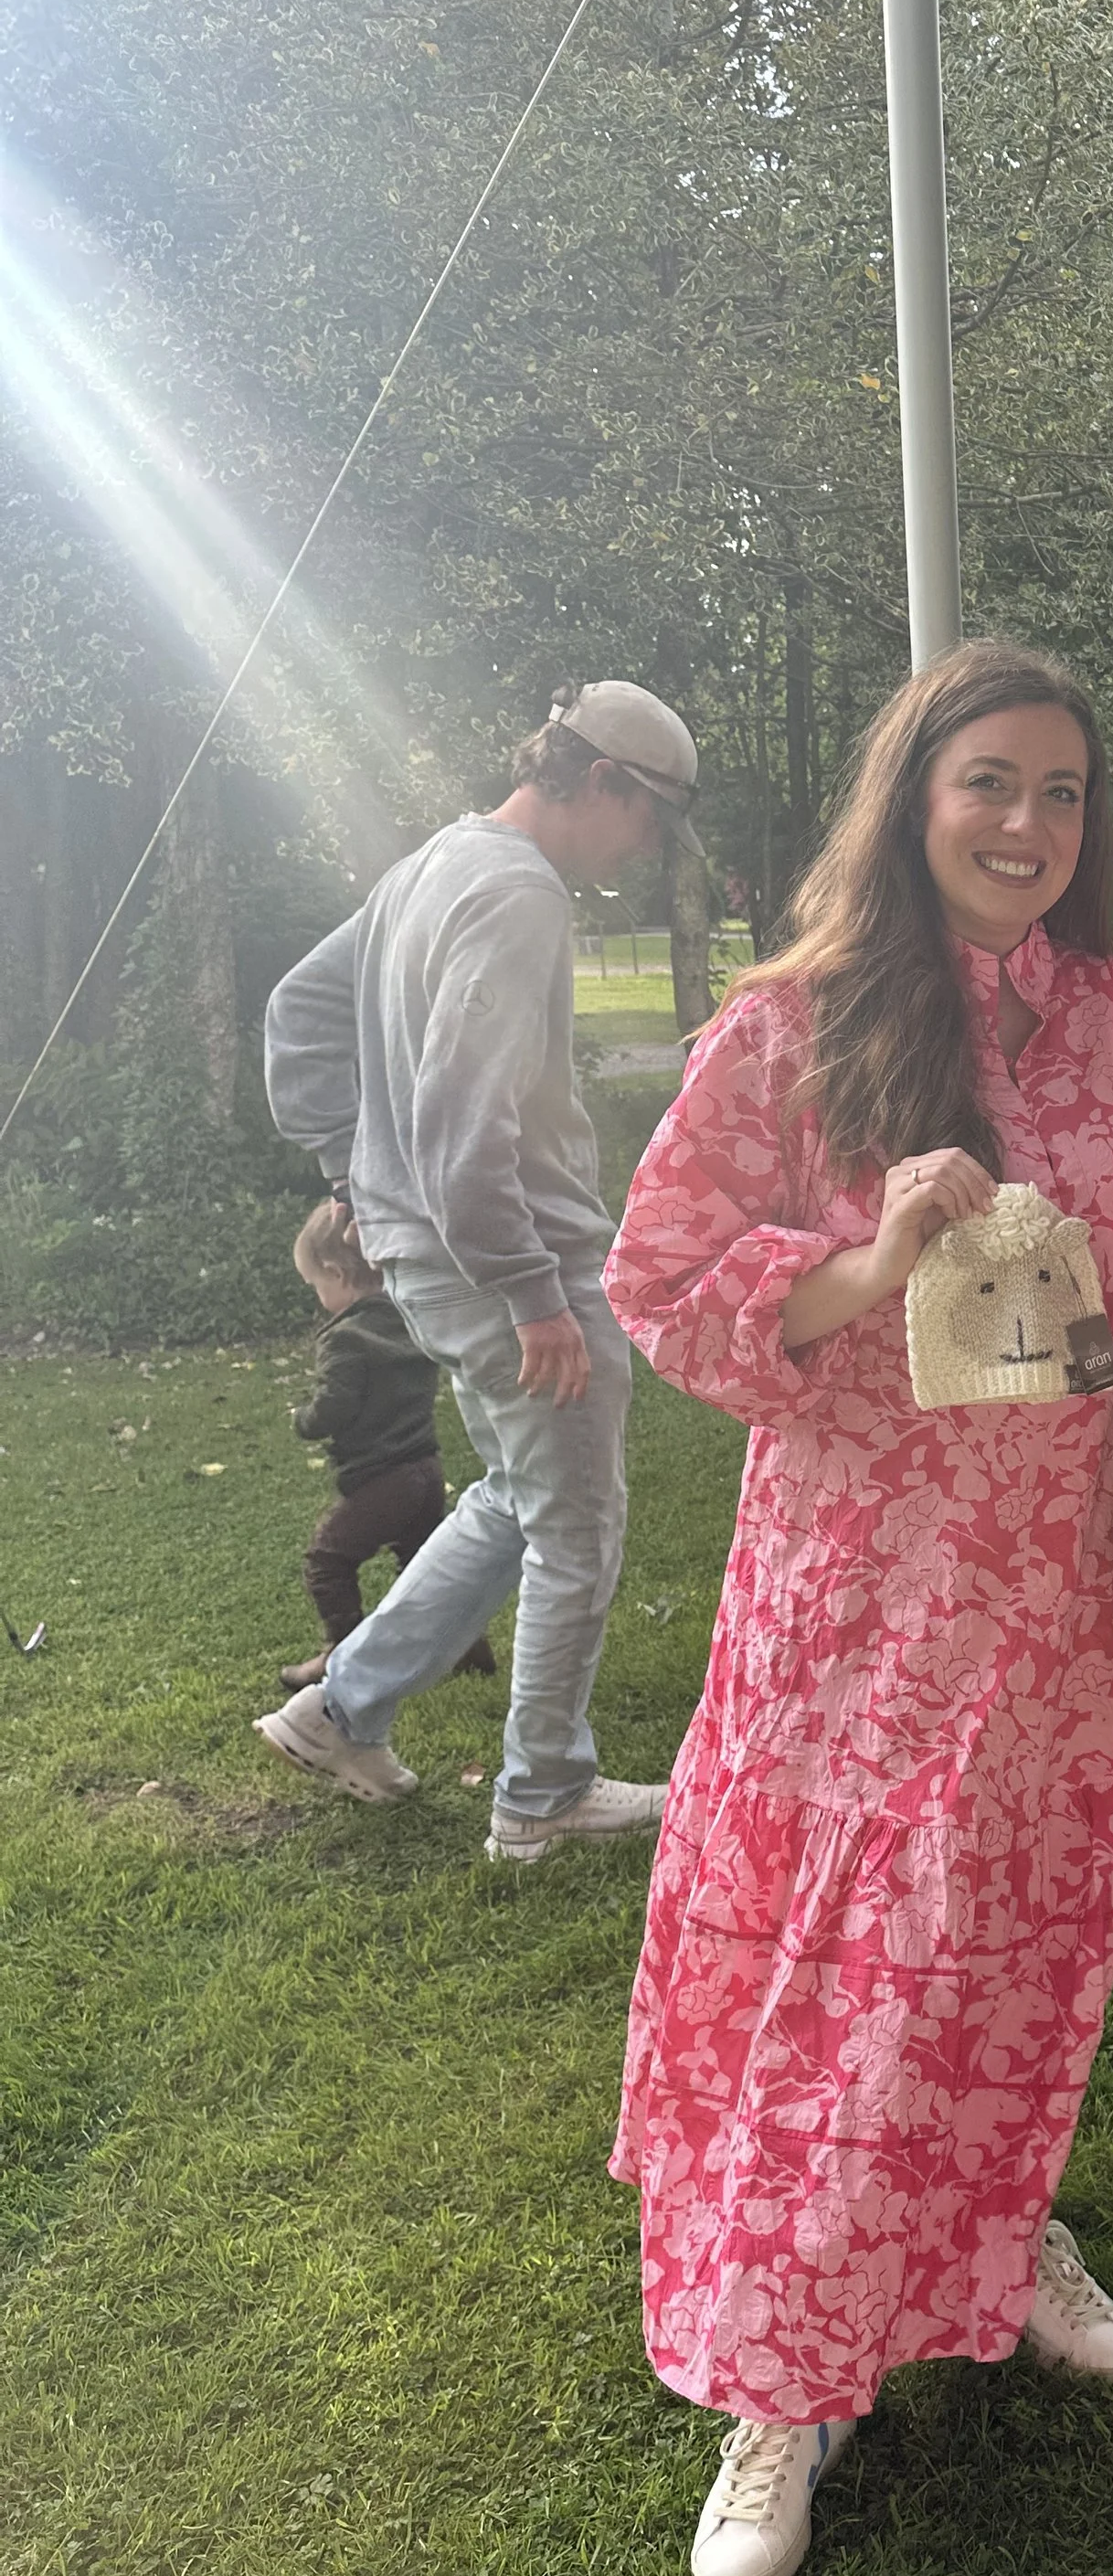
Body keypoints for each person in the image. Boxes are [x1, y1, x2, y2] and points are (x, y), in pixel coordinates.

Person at [602, 641, 1113, 2576]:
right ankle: (786, 2369)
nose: (1025, 825)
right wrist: (863, 1259)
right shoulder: (793, 1026)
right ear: (911, 797)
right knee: (841, 1965)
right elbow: (659, 1281)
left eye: (1061, 794)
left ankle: (992, 2229)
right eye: (987, 784)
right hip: (860, 1597)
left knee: (1010, 1940)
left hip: (1064, 1591)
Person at [257, 680, 694, 1861]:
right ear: (601, 782)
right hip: (512, 1258)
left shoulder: (431, 863)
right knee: (580, 1525)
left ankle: (340, 1709)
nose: (646, 843)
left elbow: (300, 1011)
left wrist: (352, 1173)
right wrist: (535, 1291)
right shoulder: (519, 893)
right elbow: (462, 1119)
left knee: (518, 1493)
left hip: (429, 1246)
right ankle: (542, 1793)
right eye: (648, 814)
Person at [277, 1196, 496, 1692]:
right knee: (424, 1562)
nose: (319, 1296)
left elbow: (334, 1404)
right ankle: (465, 1643)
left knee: (328, 1560)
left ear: (336, 1272)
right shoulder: (409, 1316)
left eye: (317, 1285)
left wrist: (304, 1420)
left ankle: (344, 1655)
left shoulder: (345, 1339)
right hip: (424, 1465)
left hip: (381, 1477)